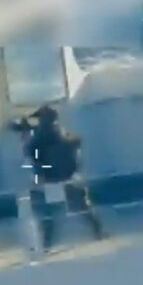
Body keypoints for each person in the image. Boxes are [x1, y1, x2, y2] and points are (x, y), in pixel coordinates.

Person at [23, 105, 103, 249]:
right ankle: (98, 232)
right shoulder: (64, 134)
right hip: (70, 176)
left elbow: (33, 156)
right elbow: (76, 142)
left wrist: (27, 136)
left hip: (51, 180)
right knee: (83, 207)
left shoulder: (38, 138)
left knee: (49, 214)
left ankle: (47, 244)